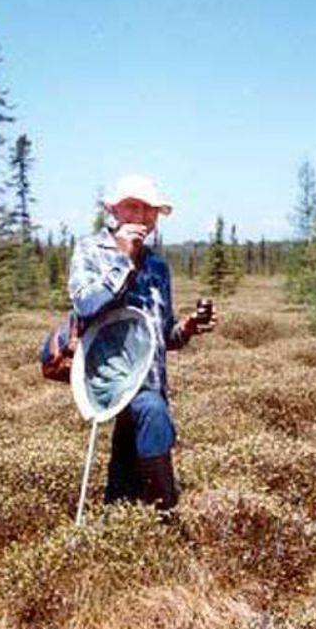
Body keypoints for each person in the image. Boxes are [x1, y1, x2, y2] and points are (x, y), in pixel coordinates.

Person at [68, 175, 216, 513]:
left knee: (125, 471)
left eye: (151, 210)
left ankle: (123, 527)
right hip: (107, 377)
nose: (143, 216)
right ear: (114, 210)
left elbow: (163, 336)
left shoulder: (158, 266)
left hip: (149, 378)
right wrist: (125, 260)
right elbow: (85, 304)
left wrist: (189, 326)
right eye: (134, 206)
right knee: (152, 414)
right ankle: (167, 515)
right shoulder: (90, 250)